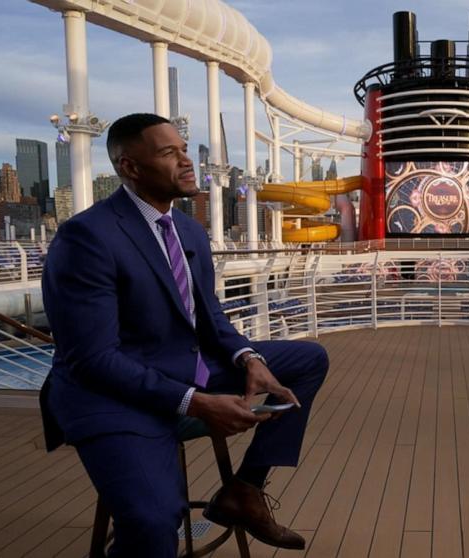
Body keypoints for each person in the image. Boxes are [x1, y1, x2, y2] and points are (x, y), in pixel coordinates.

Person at [40, 113, 328, 557]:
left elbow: (209, 316)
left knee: (308, 360)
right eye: (168, 153)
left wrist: (249, 359)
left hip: (181, 369)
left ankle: (244, 491)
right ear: (129, 167)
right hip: (112, 397)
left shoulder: (189, 229)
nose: (186, 161)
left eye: (184, 149)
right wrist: (194, 402)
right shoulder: (86, 238)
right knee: (157, 525)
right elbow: (92, 359)